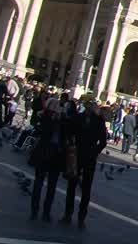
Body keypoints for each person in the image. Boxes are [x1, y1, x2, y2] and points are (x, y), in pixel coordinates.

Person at [60, 94, 107, 228]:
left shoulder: (99, 121)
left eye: (91, 104)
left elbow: (103, 141)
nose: (89, 107)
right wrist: (71, 146)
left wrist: (95, 152)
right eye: (88, 104)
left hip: (90, 157)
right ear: (85, 105)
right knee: (72, 185)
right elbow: (69, 133)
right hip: (77, 155)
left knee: (86, 188)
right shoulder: (78, 118)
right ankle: (68, 214)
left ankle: (81, 217)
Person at [28, 98, 65, 221]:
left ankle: (34, 209)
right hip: (56, 155)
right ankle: (46, 212)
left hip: (43, 153)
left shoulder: (44, 117)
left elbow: (38, 131)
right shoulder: (61, 119)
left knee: (39, 182)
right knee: (51, 186)